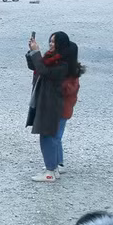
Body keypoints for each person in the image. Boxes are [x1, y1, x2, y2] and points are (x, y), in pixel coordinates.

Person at [25, 31, 73, 182]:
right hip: (48, 103)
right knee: (52, 137)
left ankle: (50, 172)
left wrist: (36, 52)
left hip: (52, 105)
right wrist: (32, 52)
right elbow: (36, 67)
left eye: (54, 42)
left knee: (47, 137)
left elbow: (44, 72)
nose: (51, 44)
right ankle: (55, 168)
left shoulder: (63, 63)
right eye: (50, 41)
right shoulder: (54, 58)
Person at [56, 41, 85, 174]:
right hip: (63, 108)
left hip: (63, 109)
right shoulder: (72, 70)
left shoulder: (71, 73)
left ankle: (58, 163)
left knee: (56, 136)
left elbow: (68, 90)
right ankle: (58, 161)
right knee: (56, 136)